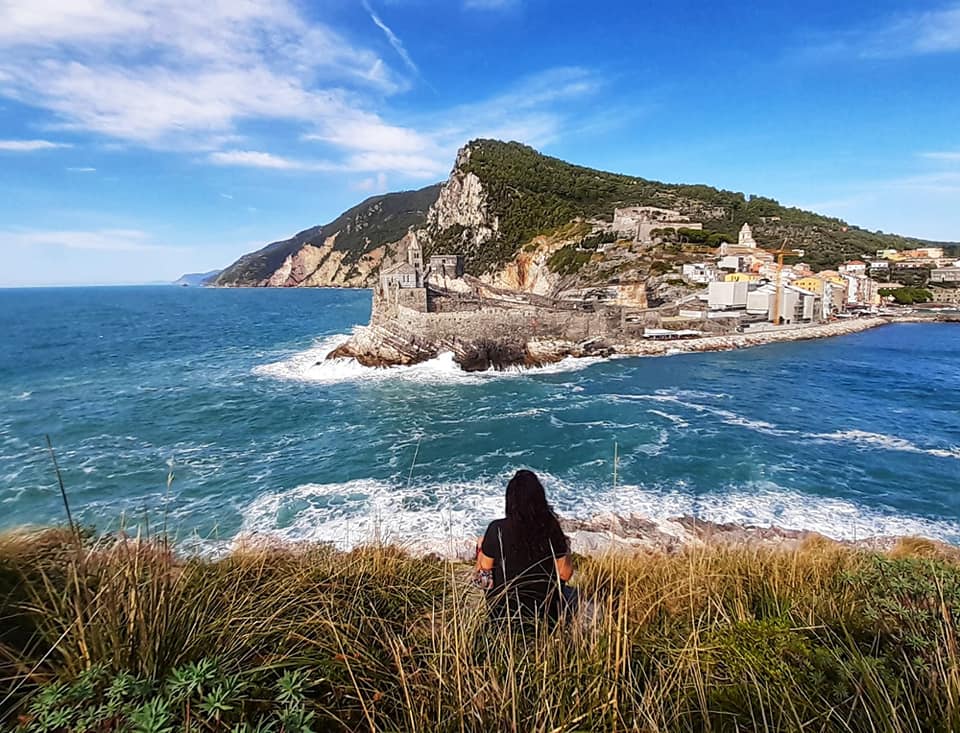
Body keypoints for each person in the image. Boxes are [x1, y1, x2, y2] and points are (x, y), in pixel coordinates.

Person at [474, 469, 574, 624]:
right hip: (545, 617)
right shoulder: (550, 528)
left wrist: (481, 550)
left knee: (485, 553)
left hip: (503, 618)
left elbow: (483, 582)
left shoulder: (496, 529)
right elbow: (565, 574)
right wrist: (564, 544)